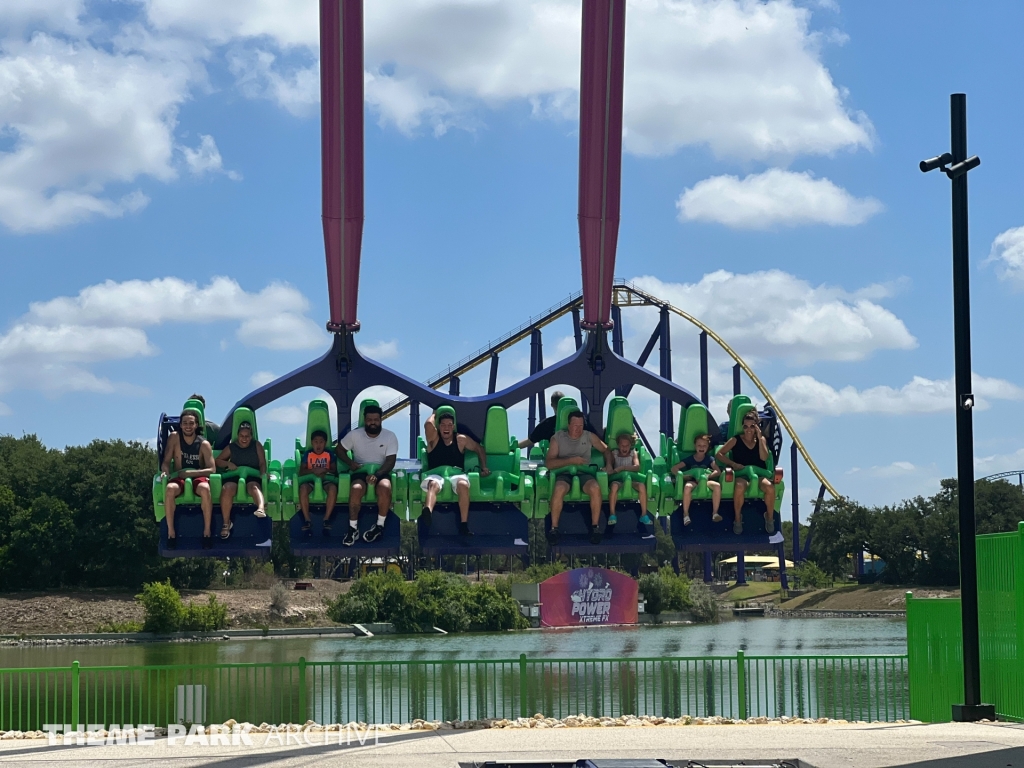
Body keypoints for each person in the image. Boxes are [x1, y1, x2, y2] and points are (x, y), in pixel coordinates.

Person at [545, 411, 613, 545]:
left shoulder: (589, 436)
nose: (578, 429)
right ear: (569, 425)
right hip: (564, 473)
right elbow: (549, 463)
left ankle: (595, 527)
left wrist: (609, 465)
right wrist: (571, 460)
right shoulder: (557, 438)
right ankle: (554, 529)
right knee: (559, 488)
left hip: (584, 473)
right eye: (575, 426)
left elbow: (606, 450)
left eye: (581, 426)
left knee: (594, 487)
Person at [420, 409, 490, 537]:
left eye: (449, 425)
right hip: (436, 473)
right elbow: (428, 425)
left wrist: (484, 467)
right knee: (433, 484)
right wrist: (435, 413)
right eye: (443, 425)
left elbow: (478, 448)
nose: (446, 428)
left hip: (456, 473)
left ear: (453, 426)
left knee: (463, 484)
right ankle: (428, 510)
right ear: (439, 427)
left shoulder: (460, 440)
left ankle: (464, 525)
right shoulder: (434, 439)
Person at [338, 404, 398, 545]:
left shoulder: (390, 436)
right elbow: (339, 450)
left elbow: (391, 461)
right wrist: (350, 463)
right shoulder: (354, 435)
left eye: (376, 420)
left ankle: (379, 526)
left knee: (385, 487)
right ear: (365, 420)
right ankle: (353, 529)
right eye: (369, 419)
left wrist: (377, 474)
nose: (373, 422)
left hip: (381, 471)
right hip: (360, 471)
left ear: (380, 420)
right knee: (356, 489)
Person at [159, 408, 215, 549]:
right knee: (170, 489)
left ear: (196, 425)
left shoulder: (204, 444)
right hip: (179, 477)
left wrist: (190, 473)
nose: (188, 426)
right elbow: (166, 461)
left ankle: (207, 532)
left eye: (191, 423)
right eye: (185, 423)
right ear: (181, 424)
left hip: (197, 476)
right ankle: (171, 533)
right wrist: (165, 472)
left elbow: (212, 469)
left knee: (205, 488)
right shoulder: (174, 438)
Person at [716, 411, 775, 533]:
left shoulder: (761, 440)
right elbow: (719, 454)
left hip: (758, 473)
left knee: (769, 487)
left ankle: (769, 517)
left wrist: (759, 438)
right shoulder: (736, 440)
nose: (748, 429)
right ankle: (738, 518)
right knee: (739, 486)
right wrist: (733, 464)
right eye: (745, 426)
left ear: (756, 426)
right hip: (742, 473)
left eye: (752, 426)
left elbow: (764, 457)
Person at [215, 420, 267, 539]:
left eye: (247, 436)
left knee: (253, 486)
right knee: (227, 488)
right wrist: (228, 464)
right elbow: (217, 461)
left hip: (251, 475)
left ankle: (261, 508)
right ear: (238, 436)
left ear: (251, 436)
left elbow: (262, 462)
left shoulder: (257, 445)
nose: (244, 439)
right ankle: (226, 523)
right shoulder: (231, 447)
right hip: (235, 475)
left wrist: (263, 473)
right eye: (242, 436)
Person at [670, 434, 723, 529]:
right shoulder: (690, 459)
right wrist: (683, 476)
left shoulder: (709, 459)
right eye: (699, 445)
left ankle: (715, 513)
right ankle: (686, 514)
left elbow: (718, 471)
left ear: (708, 447)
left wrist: (708, 476)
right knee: (687, 487)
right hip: (693, 481)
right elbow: (674, 468)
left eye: (704, 446)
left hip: (705, 482)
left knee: (717, 486)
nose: (701, 448)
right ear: (695, 446)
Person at [518, 391, 599, 450]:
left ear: (552, 405)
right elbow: (597, 439)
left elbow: (530, 441)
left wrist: (512, 448)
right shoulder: (582, 421)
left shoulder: (547, 424)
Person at [297, 430, 338, 537]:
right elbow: (302, 471)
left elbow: (334, 470)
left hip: (325, 479)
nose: (318, 444)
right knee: (303, 489)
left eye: (321, 442)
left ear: (325, 443)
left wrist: (324, 470)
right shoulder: (308, 454)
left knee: (333, 489)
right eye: (316, 442)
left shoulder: (329, 454)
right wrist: (313, 470)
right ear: (312, 443)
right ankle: (307, 519)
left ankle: (326, 518)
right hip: (311, 480)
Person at [607, 433, 651, 527]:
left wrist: (623, 468)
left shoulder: (632, 453)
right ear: (618, 445)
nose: (624, 448)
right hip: (618, 480)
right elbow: (609, 467)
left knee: (642, 486)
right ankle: (612, 514)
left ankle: (644, 514)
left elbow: (637, 467)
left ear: (630, 445)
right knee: (614, 486)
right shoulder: (614, 453)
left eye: (627, 446)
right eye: (622, 445)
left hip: (630, 480)